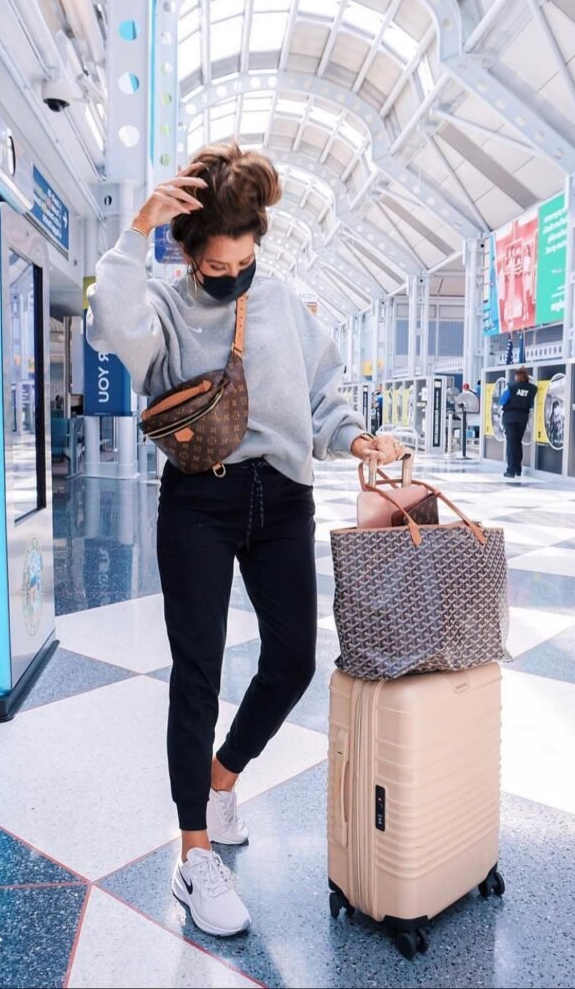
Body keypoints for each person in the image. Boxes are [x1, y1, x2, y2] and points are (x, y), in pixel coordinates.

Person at [85, 143, 405, 939]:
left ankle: (222, 777)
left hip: (284, 498)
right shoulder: (161, 306)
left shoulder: (282, 299)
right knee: (195, 672)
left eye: (243, 262)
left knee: (293, 659)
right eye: (215, 266)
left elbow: (322, 393)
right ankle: (194, 854)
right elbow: (108, 327)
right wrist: (137, 229)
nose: (231, 277)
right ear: (189, 253)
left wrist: (355, 439)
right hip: (199, 500)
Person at [500, 365, 537, 477]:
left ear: (516, 376)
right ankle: (517, 469)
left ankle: (510, 470)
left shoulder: (511, 386)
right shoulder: (532, 388)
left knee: (511, 443)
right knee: (517, 442)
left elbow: (502, 401)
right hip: (523, 417)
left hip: (510, 416)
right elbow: (531, 404)